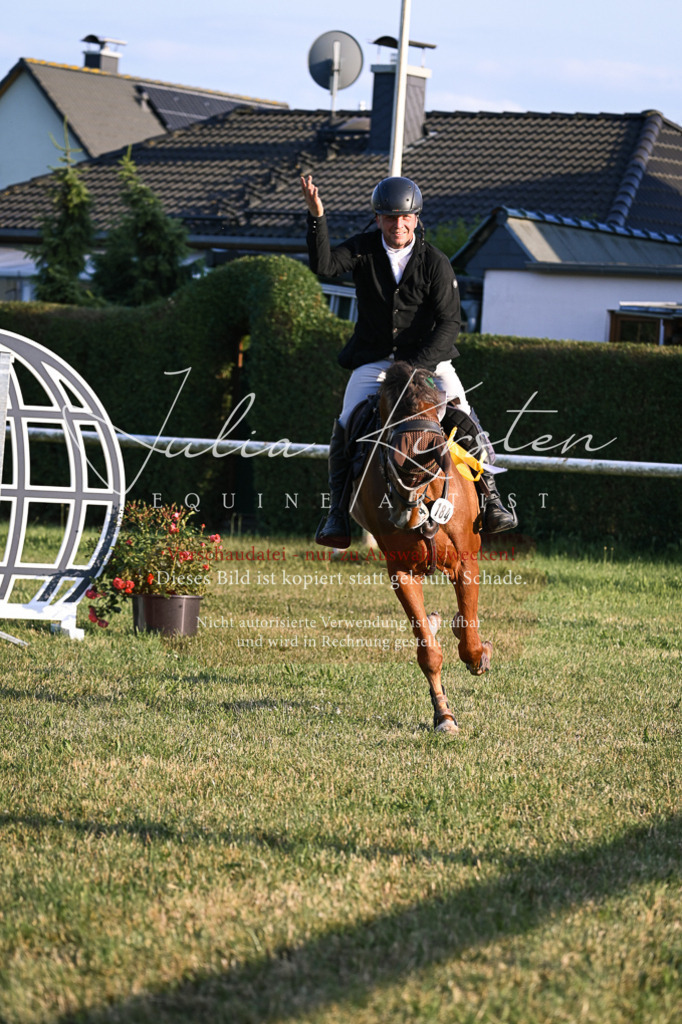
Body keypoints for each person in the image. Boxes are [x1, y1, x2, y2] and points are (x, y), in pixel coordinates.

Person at [301, 173, 517, 548]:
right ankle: (337, 513)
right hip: (375, 362)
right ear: (378, 218)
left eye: (404, 218)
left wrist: (419, 366)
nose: (396, 225)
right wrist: (317, 216)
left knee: (464, 415)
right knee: (346, 424)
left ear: (416, 219)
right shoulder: (363, 249)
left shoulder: (435, 261)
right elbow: (323, 266)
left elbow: (450, 322)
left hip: (428, 363)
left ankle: (493, 498)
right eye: (388, 217)